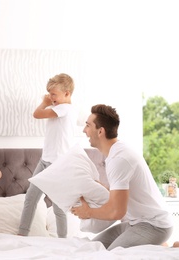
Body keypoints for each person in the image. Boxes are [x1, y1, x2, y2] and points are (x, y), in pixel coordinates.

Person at [71, 104, 173, 250]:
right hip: (135, 223)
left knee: (112, 255)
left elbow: (117, 211)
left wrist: (88, 212)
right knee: (93, 248)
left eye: (88, 126)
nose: (84, 130)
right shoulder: (116, 153)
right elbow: (121, 197)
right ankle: (160, 246)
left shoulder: (119, 159)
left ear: (100, 131)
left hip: (154, 225)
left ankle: (164, 249)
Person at [18, 73, 78, 238]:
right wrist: (49, 101)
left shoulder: (65, 109)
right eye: (49, 94)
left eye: (54, 94)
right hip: (45, 161)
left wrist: (44, 103)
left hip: (57, 164)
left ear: (67, 93)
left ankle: (63, 239)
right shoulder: (59, 108)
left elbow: (37, 114)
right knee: (31, 197)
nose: (50, 97)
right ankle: (22, 234)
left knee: (58, 205)